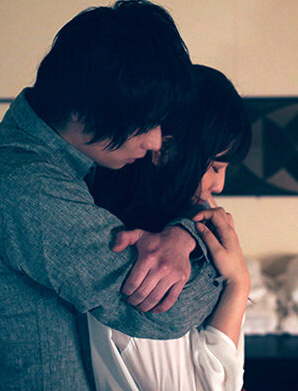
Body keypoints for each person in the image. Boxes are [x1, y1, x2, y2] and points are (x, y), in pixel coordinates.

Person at [0, 1, 222, 390]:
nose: (154, 142)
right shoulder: (27, 187)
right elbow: (167, 311)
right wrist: (226, 266)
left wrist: (182, 236)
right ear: (82, 109)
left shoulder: (68, 161)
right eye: (144, 124)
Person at [86, 65, 252, 390]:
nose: (219, 185)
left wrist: (185, 232)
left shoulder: (185, 234)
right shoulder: (143, 264)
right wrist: (239, 283)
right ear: (165, 150)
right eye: (215, 167)